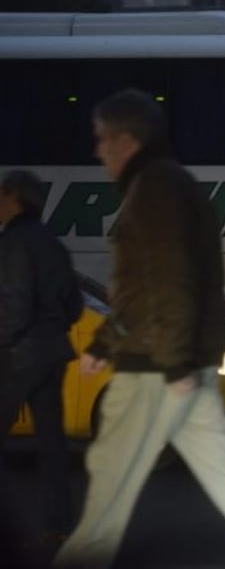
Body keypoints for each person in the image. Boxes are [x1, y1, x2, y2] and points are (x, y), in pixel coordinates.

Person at [53, 89, 225, 569]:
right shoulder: (174, 184)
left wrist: (170, 365)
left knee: (110, 483)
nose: (98, 151)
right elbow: (154, 284)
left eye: (103, 140)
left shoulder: (154, 189)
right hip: (180, 363)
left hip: (155, 369)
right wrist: (107, 343)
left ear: (127, 140)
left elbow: (167, 283)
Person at [0, 170, 82, 548]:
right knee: (52, 446)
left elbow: (14, 305)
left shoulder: (13, 242)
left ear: (14, 197)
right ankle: (59, 524)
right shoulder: (53, 244)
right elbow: (74, 306)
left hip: (18, 356)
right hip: (53, 352)